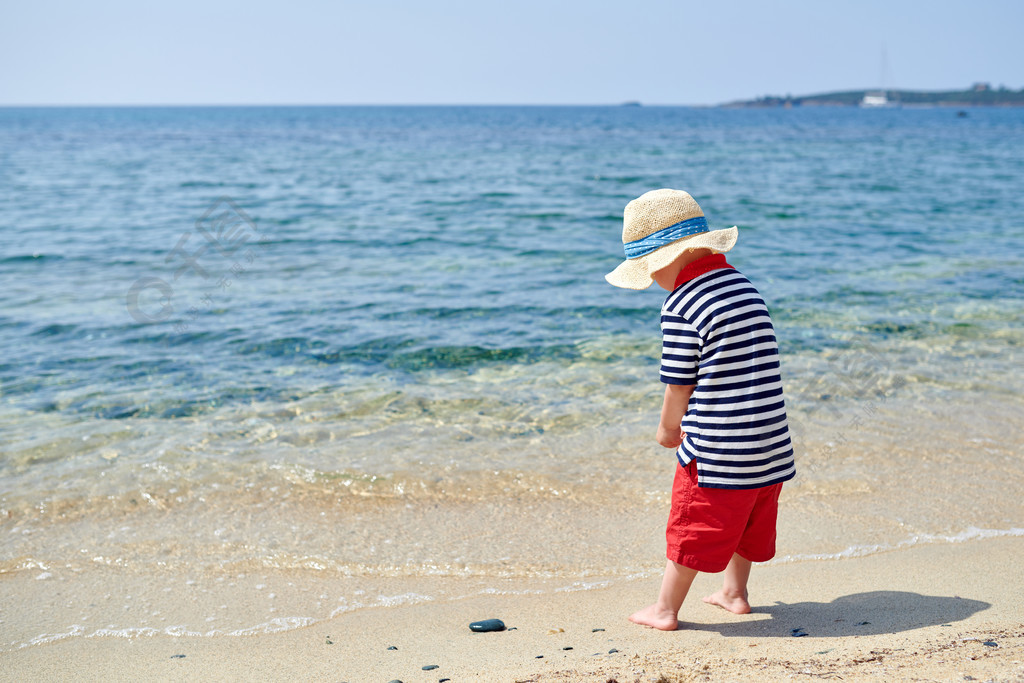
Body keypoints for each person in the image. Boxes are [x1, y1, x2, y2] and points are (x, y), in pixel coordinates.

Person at [605, 189, 796, 630]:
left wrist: (667, 429)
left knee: (693, 527)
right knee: (747, 519)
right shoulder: (744, 286)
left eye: (650, 269)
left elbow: (679, 383)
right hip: (768, 445)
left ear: (667, 259)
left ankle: (665, 609)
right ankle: (734, 592)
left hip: (717, 448)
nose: (653, 280)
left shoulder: (681, 304)